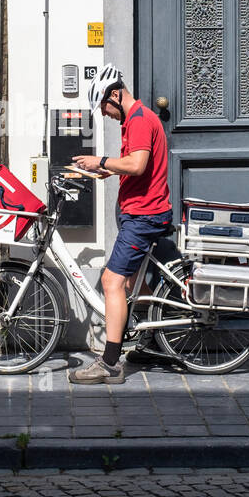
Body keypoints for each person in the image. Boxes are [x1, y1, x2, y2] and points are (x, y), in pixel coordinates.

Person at [67, 63, 171, 384]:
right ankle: (154, 336)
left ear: (115, 95)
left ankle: (110, 363)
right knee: (130, 283)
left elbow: (138, 165)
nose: (105, 113)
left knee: (112, 282)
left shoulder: (139, 119)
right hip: (140, 212)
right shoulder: (134, 121)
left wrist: (100, 160)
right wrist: (111, 169)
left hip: (144, 216)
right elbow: (134, 164)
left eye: (104, 106)